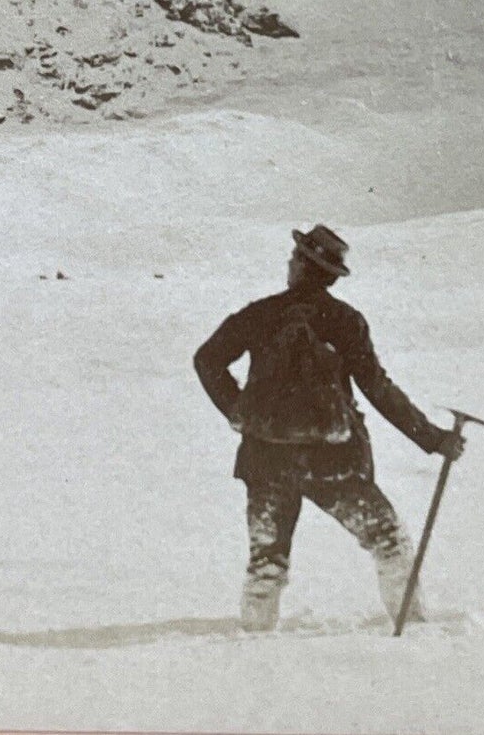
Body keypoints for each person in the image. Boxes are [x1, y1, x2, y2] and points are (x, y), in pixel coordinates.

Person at [193, 224, 464, 633]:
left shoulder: (259, 315)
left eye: (294, 257)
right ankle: (414, 631)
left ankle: (253, 646)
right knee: (389, 541)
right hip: (332, 461)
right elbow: (377, 388)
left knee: (266, 561)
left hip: (266, 458)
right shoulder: (345, 320)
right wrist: (433, 438)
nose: (290, 263)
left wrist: (242, 412)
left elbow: (206, 360)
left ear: (303, 266)